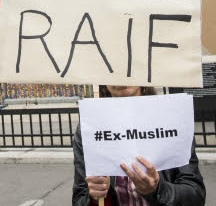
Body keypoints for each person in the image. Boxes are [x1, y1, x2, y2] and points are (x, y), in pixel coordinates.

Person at [73, 85, 206, 206]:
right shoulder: (89, 130)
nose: (121, 76)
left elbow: (195, 195)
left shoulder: (172, 119)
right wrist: (94, 198)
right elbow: (79, 199)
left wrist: (158, 189)